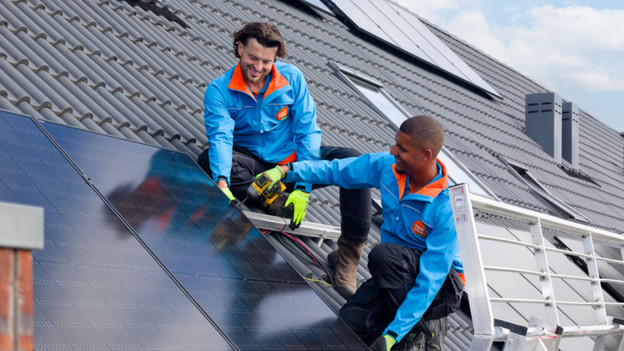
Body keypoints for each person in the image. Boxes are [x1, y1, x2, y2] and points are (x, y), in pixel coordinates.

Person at [256, 115, 464, 350]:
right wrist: (286, 171)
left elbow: (431, 279)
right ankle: (404, 327)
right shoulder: (389, 167)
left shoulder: (446, 207)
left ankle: (418, 333)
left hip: (438, 288)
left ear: (426, 155)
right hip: (395, 276)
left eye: (402, 149)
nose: (393, 150)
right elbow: (336, 170)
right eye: (396, 143)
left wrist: (394, 333)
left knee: (385, 256)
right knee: (347, 328)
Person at [197, 22, 371, 298]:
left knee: (356, 165)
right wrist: (222, 181)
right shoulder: (219, 91)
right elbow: (221, 138)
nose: (258, 66)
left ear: (275, 58)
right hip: (255, 168)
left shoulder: (292, 79)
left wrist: (302, 185)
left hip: (293, 167)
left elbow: (308, 133)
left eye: (266, 61)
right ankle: (274, 201)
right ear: (240, 48)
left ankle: (347, 257)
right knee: (209, 159)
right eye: (253, 58)